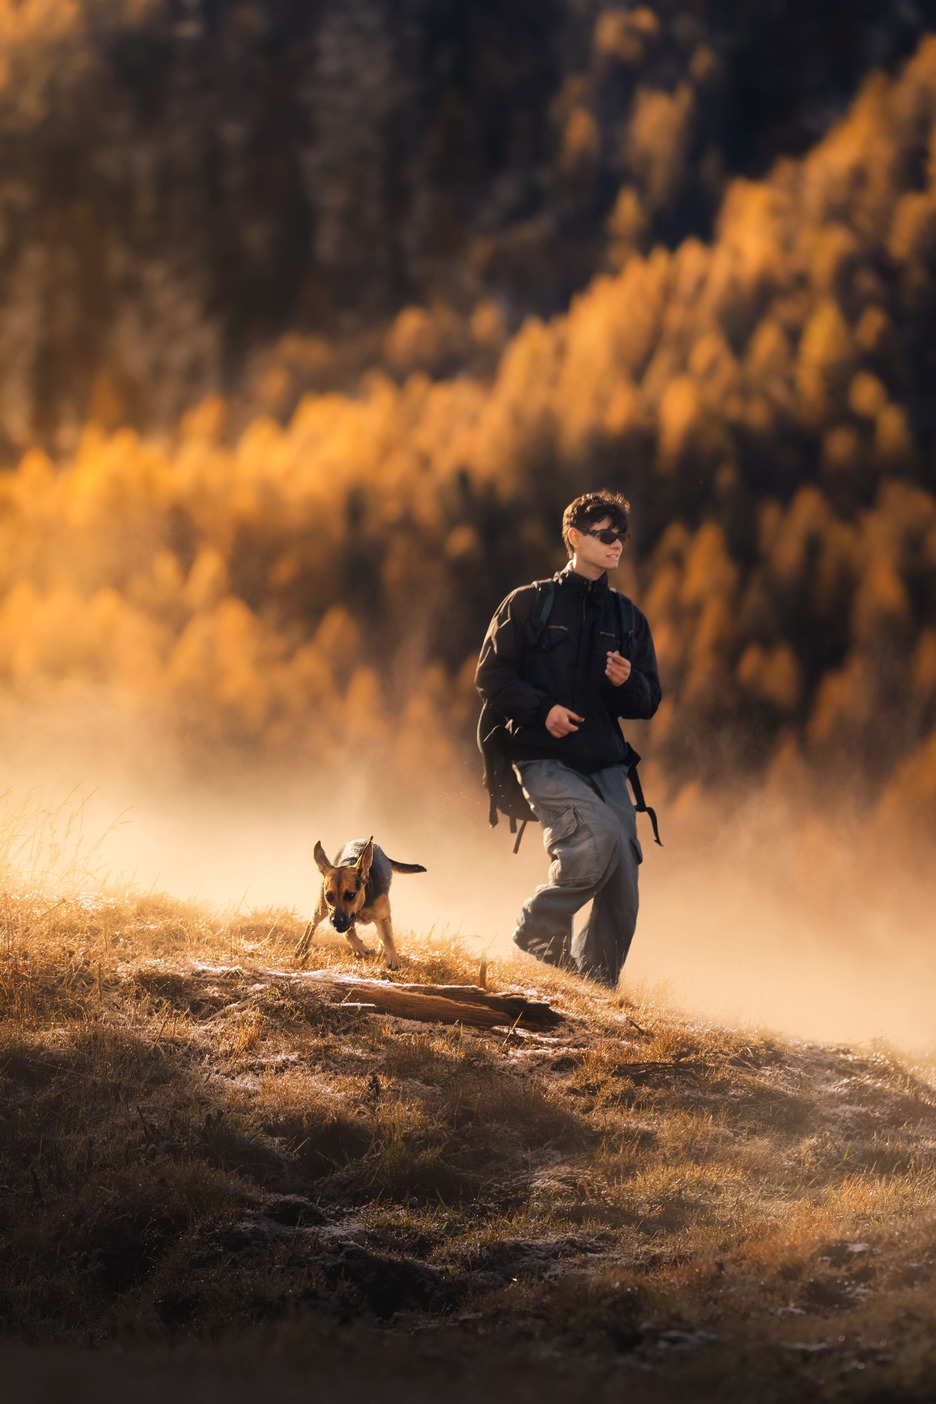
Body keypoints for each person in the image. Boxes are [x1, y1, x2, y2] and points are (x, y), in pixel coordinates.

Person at [475, 490, 661, 987]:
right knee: (596, 837)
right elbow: (491, 676)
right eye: (605, 535)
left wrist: (628, 684)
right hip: (542, 757)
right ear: (575, 538)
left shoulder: (628, 619)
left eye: (620, 536)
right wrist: (543, 711)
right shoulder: (529, 603)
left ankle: (592, 988)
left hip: (604, 763)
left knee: (624, 878)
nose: (616, 544)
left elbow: (648, 701)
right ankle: (539, 925)